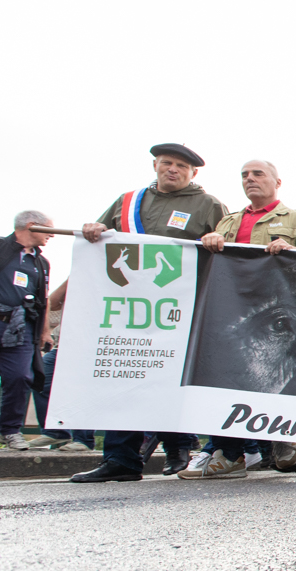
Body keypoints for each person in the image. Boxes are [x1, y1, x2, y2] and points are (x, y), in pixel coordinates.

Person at [71, 144, 226, 482]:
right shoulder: (127, 202)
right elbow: (99, 241)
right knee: (124, 378)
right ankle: (120, 460)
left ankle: (179, 442)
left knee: (171, 380)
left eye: (181, 166)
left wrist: (216, 237)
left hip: (179, 309)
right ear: (155, 164)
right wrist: (92, 231)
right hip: (130, 309)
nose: (173, 169)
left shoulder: (208, 205)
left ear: (193, 173)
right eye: (166, 163)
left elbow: (228, 253)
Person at [180, 159, 296, 480]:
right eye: (245, 175)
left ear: (277, 182)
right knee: (224, 381)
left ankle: (266, 435)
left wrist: (291, 250)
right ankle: (230, 452)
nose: (250, 179)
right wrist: (211, 241)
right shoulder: (228, 222)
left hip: (275, 316)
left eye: (258, 174)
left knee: (262, 380)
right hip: (229, 314)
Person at [0, 211, 53, 451]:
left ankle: (8, 431)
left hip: (21, 327)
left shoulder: (41, 262)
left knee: (21, 376)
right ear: (31, 226)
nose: (51, 235)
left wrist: (44, 332)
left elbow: (43, 300)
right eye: (49, 229)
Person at [27, 277, 96, 451]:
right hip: (64, 346)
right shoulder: (78, 280)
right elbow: (53, 304)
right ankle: (55, 432)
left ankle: (84, 440)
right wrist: (73, 276)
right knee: (40, 376)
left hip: (90, 345)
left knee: (81, 390)